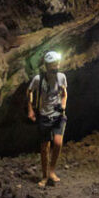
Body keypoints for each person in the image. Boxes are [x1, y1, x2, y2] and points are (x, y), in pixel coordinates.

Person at [27, 50, 67, 187]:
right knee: (44, 147)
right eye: (53, 65)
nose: (56, 67)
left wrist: (63, 105)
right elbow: (29, 91)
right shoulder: (39, 79)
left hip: (58, 115)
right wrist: (31, 108)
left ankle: (52, 171)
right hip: (44, 116)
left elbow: (64, 93)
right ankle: (44, 176)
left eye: (57, 64)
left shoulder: (61, 77)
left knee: (57, 143)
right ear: (47, 65)